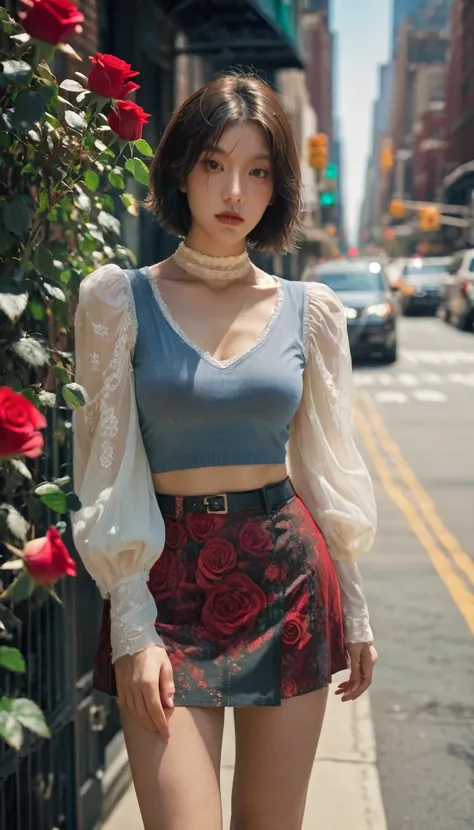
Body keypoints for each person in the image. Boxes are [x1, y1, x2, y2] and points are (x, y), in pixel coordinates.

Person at [72, 73, 378, 830]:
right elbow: (104, 470)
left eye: (258, 170)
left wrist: (359, 609)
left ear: (278, 188)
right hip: (165, 580)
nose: (233, 189)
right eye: (214, 163)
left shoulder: (312, 313)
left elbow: (325, 468)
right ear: (181, 170)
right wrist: (132, 623)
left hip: (288, 577)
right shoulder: (117, 300)